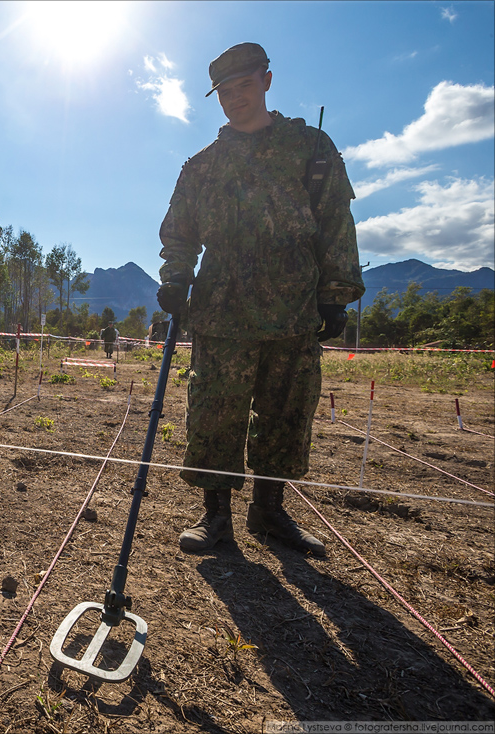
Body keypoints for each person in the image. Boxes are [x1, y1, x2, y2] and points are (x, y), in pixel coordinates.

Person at [156, 42, 365, 556]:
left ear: (266, 81)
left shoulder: (311, 148)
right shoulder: (201, 166)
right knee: (214, 412)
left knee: (287, 413)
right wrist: (176, 276)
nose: (234, 98)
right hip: (222, 308)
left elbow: (336, 222)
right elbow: (179, 233)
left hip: (294, 307)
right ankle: (215, 518)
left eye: (244, 86)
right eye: (224, 92)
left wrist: (334, 294)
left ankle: (270, 514)